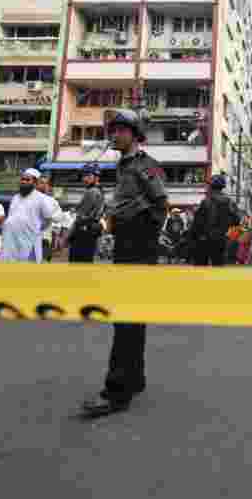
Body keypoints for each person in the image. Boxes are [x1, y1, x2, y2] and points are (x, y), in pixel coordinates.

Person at [83, 109, 167, 417]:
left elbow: (161, 205)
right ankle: (134, 379)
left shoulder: (146, 165)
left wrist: (138, 233)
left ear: (134, 134)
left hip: (137, 245)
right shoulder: (124, 165)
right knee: (130, 318)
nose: (113, 134)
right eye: (112, 130)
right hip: (127, 242)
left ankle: (116, 392)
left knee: (126, 318)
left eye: (119, 130)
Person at [0, 169, 62, 263]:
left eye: (28, 180)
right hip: (10, 240)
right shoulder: (16, 197)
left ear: (35, 183)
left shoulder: (42, 199)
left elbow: (52, 218)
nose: (24, 182)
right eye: (22, 179)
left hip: (29, 241)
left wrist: (37, 228)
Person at [190, 174, 240, 266]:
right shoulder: (230, 202)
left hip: (204, 240)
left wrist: (193, 238)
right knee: (218, 267)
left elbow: (197, 224)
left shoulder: (206, 202)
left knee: (200, 268)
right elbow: (236, 220)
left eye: (209, 185)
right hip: (221, 240)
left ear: (211, 187)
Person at [66, 164, 105, 263]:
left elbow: (81, 217)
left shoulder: (92, 191)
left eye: (88, 175)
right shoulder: (99, 190)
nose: (84, 178)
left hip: (84, 232)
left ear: (96, 177)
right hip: (91, 231)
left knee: (77, 263)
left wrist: (68, 235)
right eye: (83, 176)